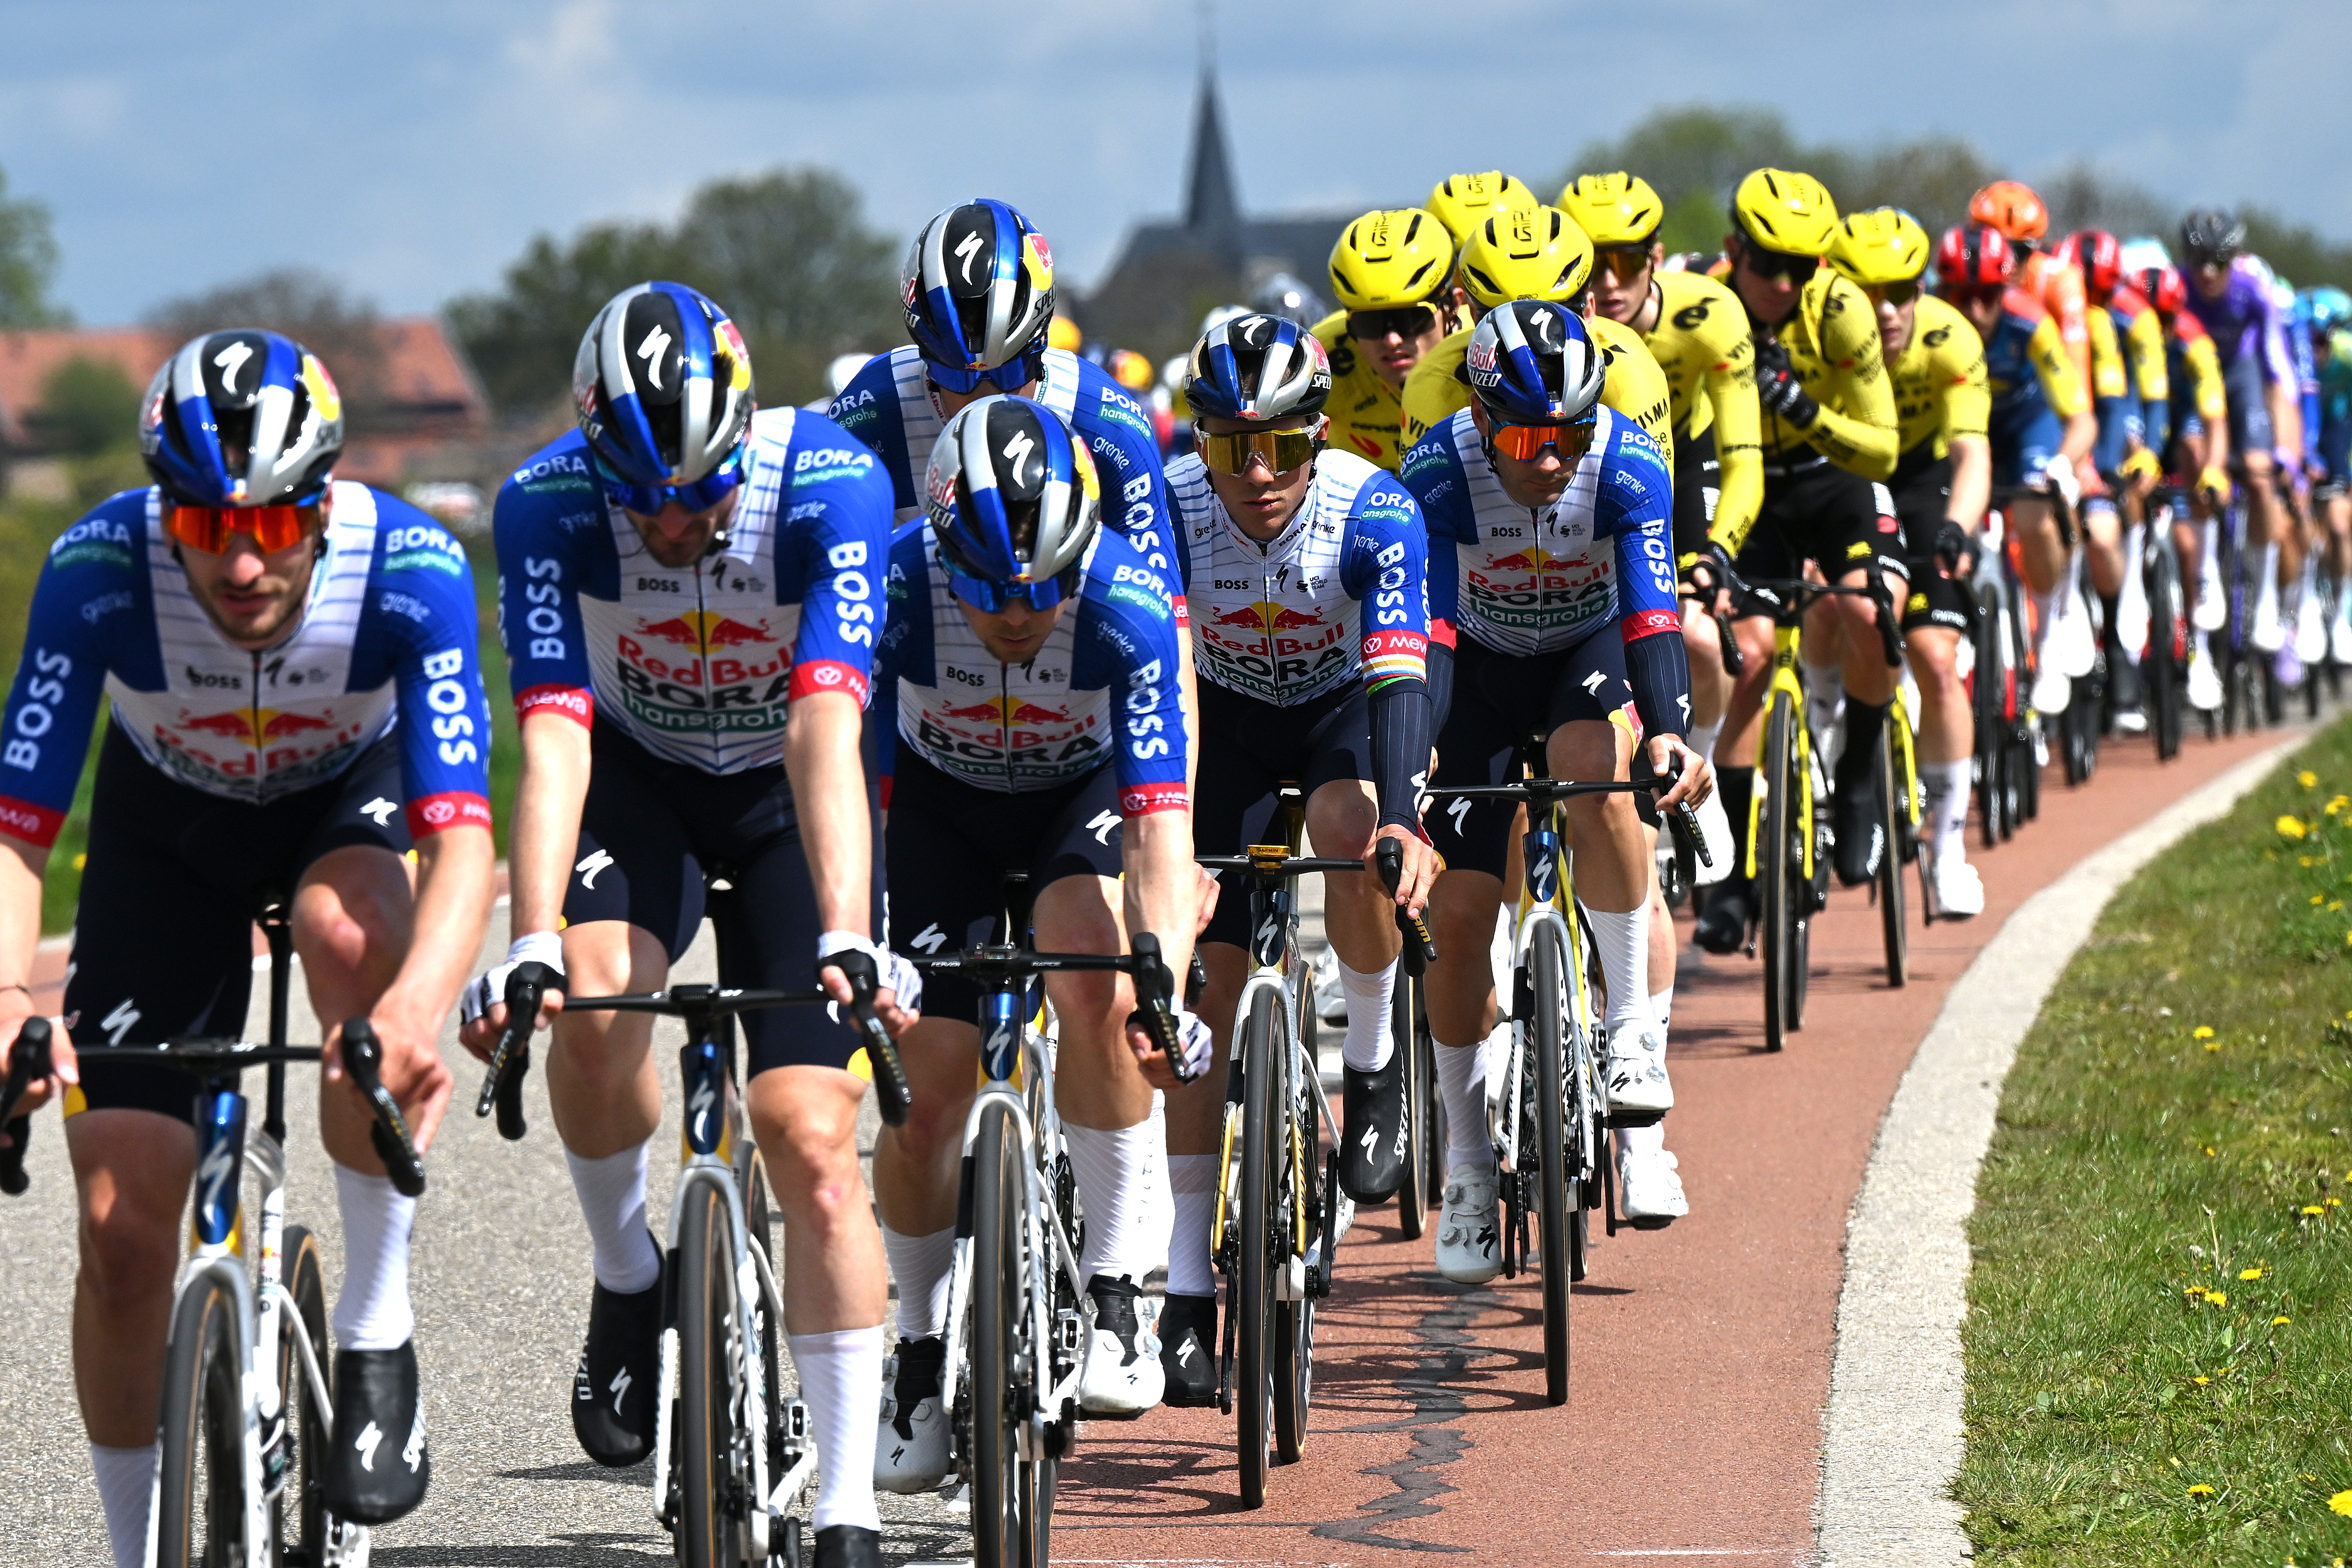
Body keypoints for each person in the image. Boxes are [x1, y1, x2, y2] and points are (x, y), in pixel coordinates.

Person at [0, 330, 495, 1564]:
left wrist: (419, 1007)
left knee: (345, 932)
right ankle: (135, 1546)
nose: (238, 559)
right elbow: (17, 829)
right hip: (169, 828)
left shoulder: (410, 569)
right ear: (161, 509)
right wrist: (10, 990)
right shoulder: (98, 569)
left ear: (323, 501)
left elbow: (463, 840)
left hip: (343, 811)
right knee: (119, 1231)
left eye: (274, 525)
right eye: (204, 522)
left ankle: (376, 1327)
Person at [462, 282, 909, 1568]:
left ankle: (847, 1503)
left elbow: (829, 728)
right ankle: (626, 1275)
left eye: (701, 493)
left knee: (811, 1136)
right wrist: (532, 928)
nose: (670, 521)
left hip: (786, 790)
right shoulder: (544, 501)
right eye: (641, 493)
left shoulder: (831, 482)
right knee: (593, 1011)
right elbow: (548, 737)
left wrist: (844, 926)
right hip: (639, 781)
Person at [867, 395, 1202, 1488]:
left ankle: (1116, 1294)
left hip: (1075, 803)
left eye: (1044, 586)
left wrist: (1169, 993)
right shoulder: (888, 586)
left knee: (1102, 983)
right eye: (989, 589)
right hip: (936, 809)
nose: (1018, 614)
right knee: (929, 1078)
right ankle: (917, 1345)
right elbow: (849, 792)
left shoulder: (1128, 607)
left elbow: (1160, 829)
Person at [1157, 312, 1438, 1401]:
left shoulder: (1374, 509)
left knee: (1349, 834)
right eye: (1233, 447)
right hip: (1215, 728)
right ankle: (1185, 1283)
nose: (1259, 471)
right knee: (1200, 1002)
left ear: (1321, 433)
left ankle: (1371, 1065)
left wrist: (1406, 819)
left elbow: (1400, 678)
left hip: (1337, 718)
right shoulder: (1171, 511)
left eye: (1282, 442)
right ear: (1201, 445)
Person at [1399, 301, 1714, 1261]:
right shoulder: (1435, 474)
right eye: (1529, 436)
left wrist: (1668, 735)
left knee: (1596, 765)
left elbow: (1655, 618)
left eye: (1569, 432)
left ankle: (1629, 1037)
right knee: (1456, 912)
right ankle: (1464, 1164)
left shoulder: (1623, 464)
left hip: (1587, 645)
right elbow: (1434, 638)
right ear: (1484, 418)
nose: (1550, 458)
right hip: (1481, 667)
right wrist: (1417, 766)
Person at [1697, 169, 1902, 956]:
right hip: (1746, 495)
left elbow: (1883, 445)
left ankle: (1855, 784)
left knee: (1862, 608)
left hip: (1833, 483)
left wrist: (1808, 413)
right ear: (1732, 249)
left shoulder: (1841, 311)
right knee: (1743, 658)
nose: (1783, 284)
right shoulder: (1710, 309)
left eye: (1801, 268)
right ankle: (1733, 881)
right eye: (1767, 264)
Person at [1557, 170, 1761, 874]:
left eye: (1627, 260)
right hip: (1586, 474)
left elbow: (1742, 459)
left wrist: (1714, 558)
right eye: (1594, 261)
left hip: (1684, 470)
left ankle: (1691, 764)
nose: (1610, 281)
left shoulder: (1709, 312)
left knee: (1698, 636)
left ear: (1657, 257)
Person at [1829, 208, 1991, 918]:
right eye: (1868, 292)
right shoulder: (1823, 331)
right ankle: (1829, 722)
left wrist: (1957, 527)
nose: (1887, 309)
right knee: (1850, 605)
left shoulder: (1948, 336)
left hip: (1923, 484)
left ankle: (1949, 848)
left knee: (1936, 657)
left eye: (1903, 289)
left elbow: (1972, 453)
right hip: (1848, 475)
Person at [1937, 225, 2099, 720]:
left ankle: (2049, 633)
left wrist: (2060, 466)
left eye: (1988, 295)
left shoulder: (2030, 323)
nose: (1976, 310)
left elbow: (2081, 419)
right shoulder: (1931, 322)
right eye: (1963, 296)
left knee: (2033, 512)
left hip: (2029, 425)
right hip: (1967, 428)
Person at [2179, 209, 2305, 677]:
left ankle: (2267, 595)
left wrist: (2287, 455)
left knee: (2257, 473)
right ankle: (2208, 571)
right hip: (2196, 379)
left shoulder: (2253, 290)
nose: (2208, 272)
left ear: (2235, 258)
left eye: (2218, 260)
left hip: (2241, 375)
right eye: (2198, 261)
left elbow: (2280, 378)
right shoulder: (2180, 289)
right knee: (2195, 457)